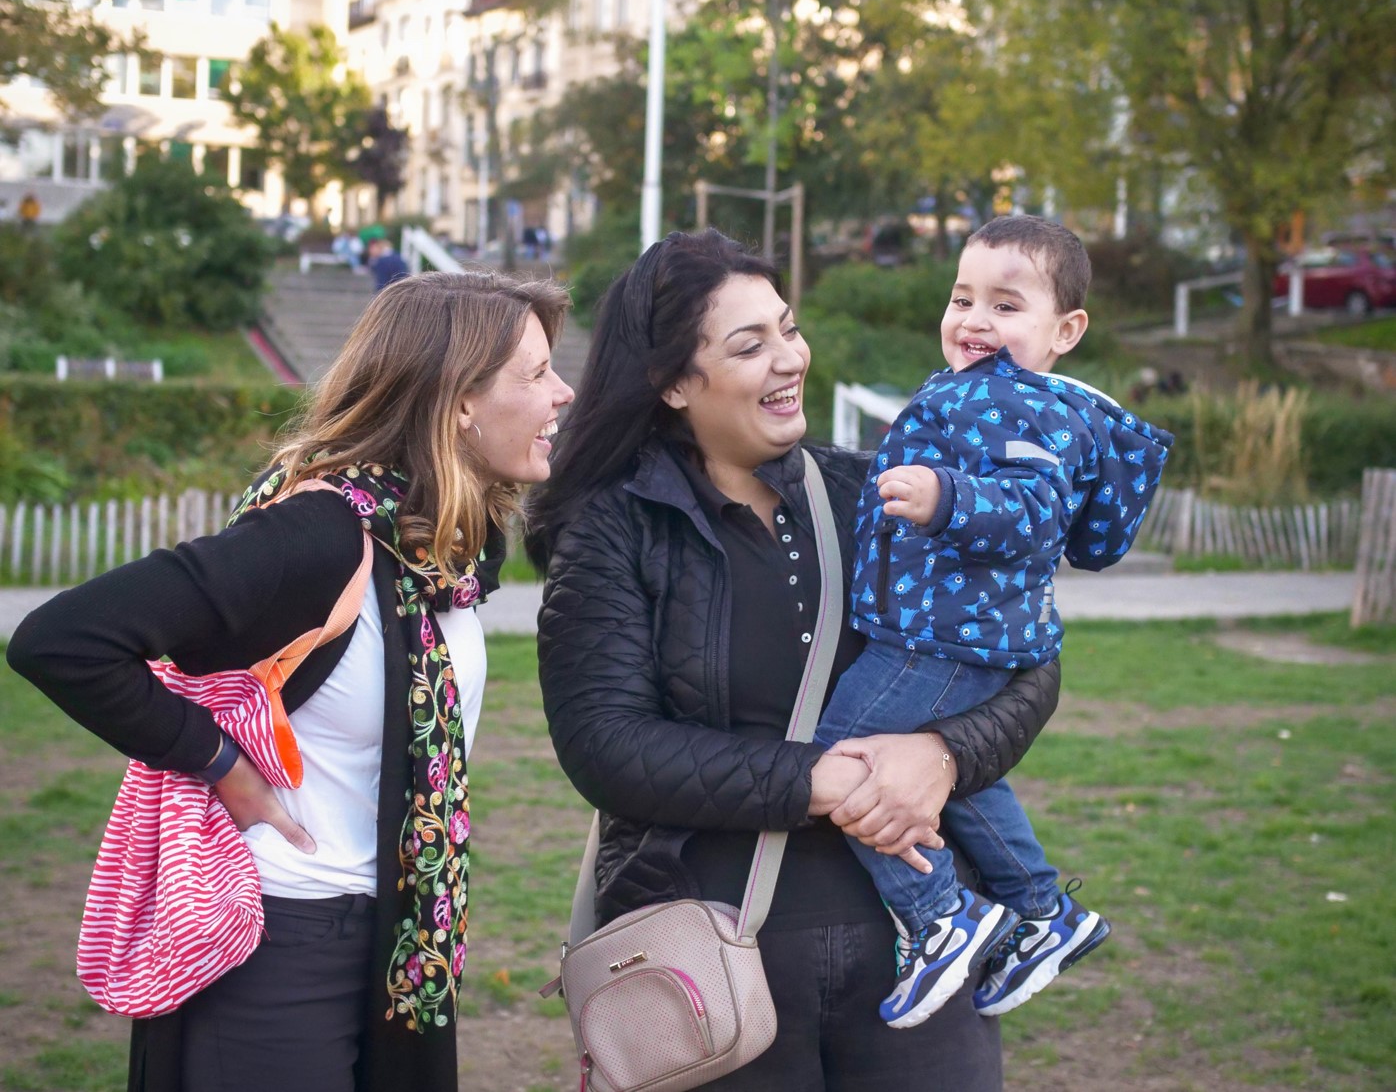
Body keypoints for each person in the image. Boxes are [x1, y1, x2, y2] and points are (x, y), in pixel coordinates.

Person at [7, 269, 574, 1092]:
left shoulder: (437, 552)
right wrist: (218, 762)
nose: (562, 392)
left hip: (397, 946)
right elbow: (62, 639)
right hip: (274, 947)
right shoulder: (321, 535)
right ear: (457, 399)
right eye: (535, 373)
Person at [526, 229, 1062, 1091]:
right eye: (750, 344)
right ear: (672, 382)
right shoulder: (614, 527)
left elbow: (1030, 658)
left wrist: (944, 755)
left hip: (920, 947)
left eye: (788, 327)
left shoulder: (879, 491)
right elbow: (606, 742)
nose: (790, 359)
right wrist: (822, 782)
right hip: (713, 963)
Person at [812, 215, 1173, 1029]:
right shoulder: (985, 393)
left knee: (840, 756)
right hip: (956, 628)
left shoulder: (1027, 407)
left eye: (1006, 305)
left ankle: (940, 913)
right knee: (972, 780)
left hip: (942, 636)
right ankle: (1042, 910)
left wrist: (947, 499)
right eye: (962, 296)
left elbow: (1036, 512)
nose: (974, 319)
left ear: (1065, 330)